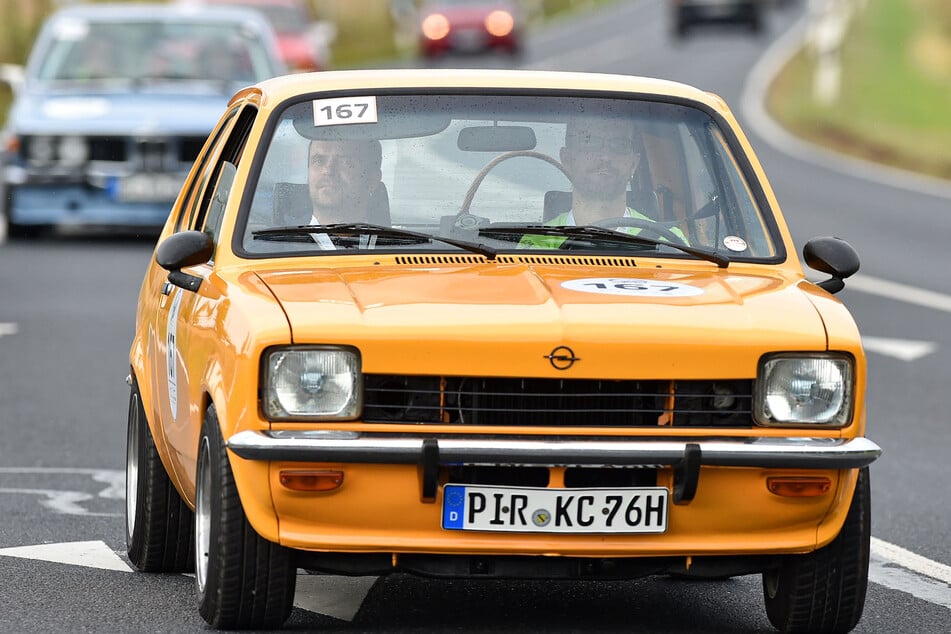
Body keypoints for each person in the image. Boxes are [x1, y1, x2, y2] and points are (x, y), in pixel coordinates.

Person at [519, 115, 686, 248]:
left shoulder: (668, 242)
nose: (605, 156)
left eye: (619, 145)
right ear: (567, 159)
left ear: (634, 164)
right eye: (589, 142)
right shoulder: (537, 244)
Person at [306, 137, 383, 249]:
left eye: (345, 162)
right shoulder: (276, 250)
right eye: (319, 161)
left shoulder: (404, 247)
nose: (328, 170)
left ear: (372, 179)